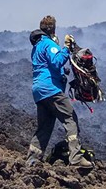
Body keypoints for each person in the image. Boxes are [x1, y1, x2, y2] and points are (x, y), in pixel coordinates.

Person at [26, 15, 94, 169]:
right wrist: (66, 49)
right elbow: (57, 61)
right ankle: (76, 157)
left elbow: (48, 66)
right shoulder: (48, 44)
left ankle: (32, 159)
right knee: (71, 119)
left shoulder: (36, 47)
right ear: (53, 29)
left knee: (44, 126)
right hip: (51, 90)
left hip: (39, 91)